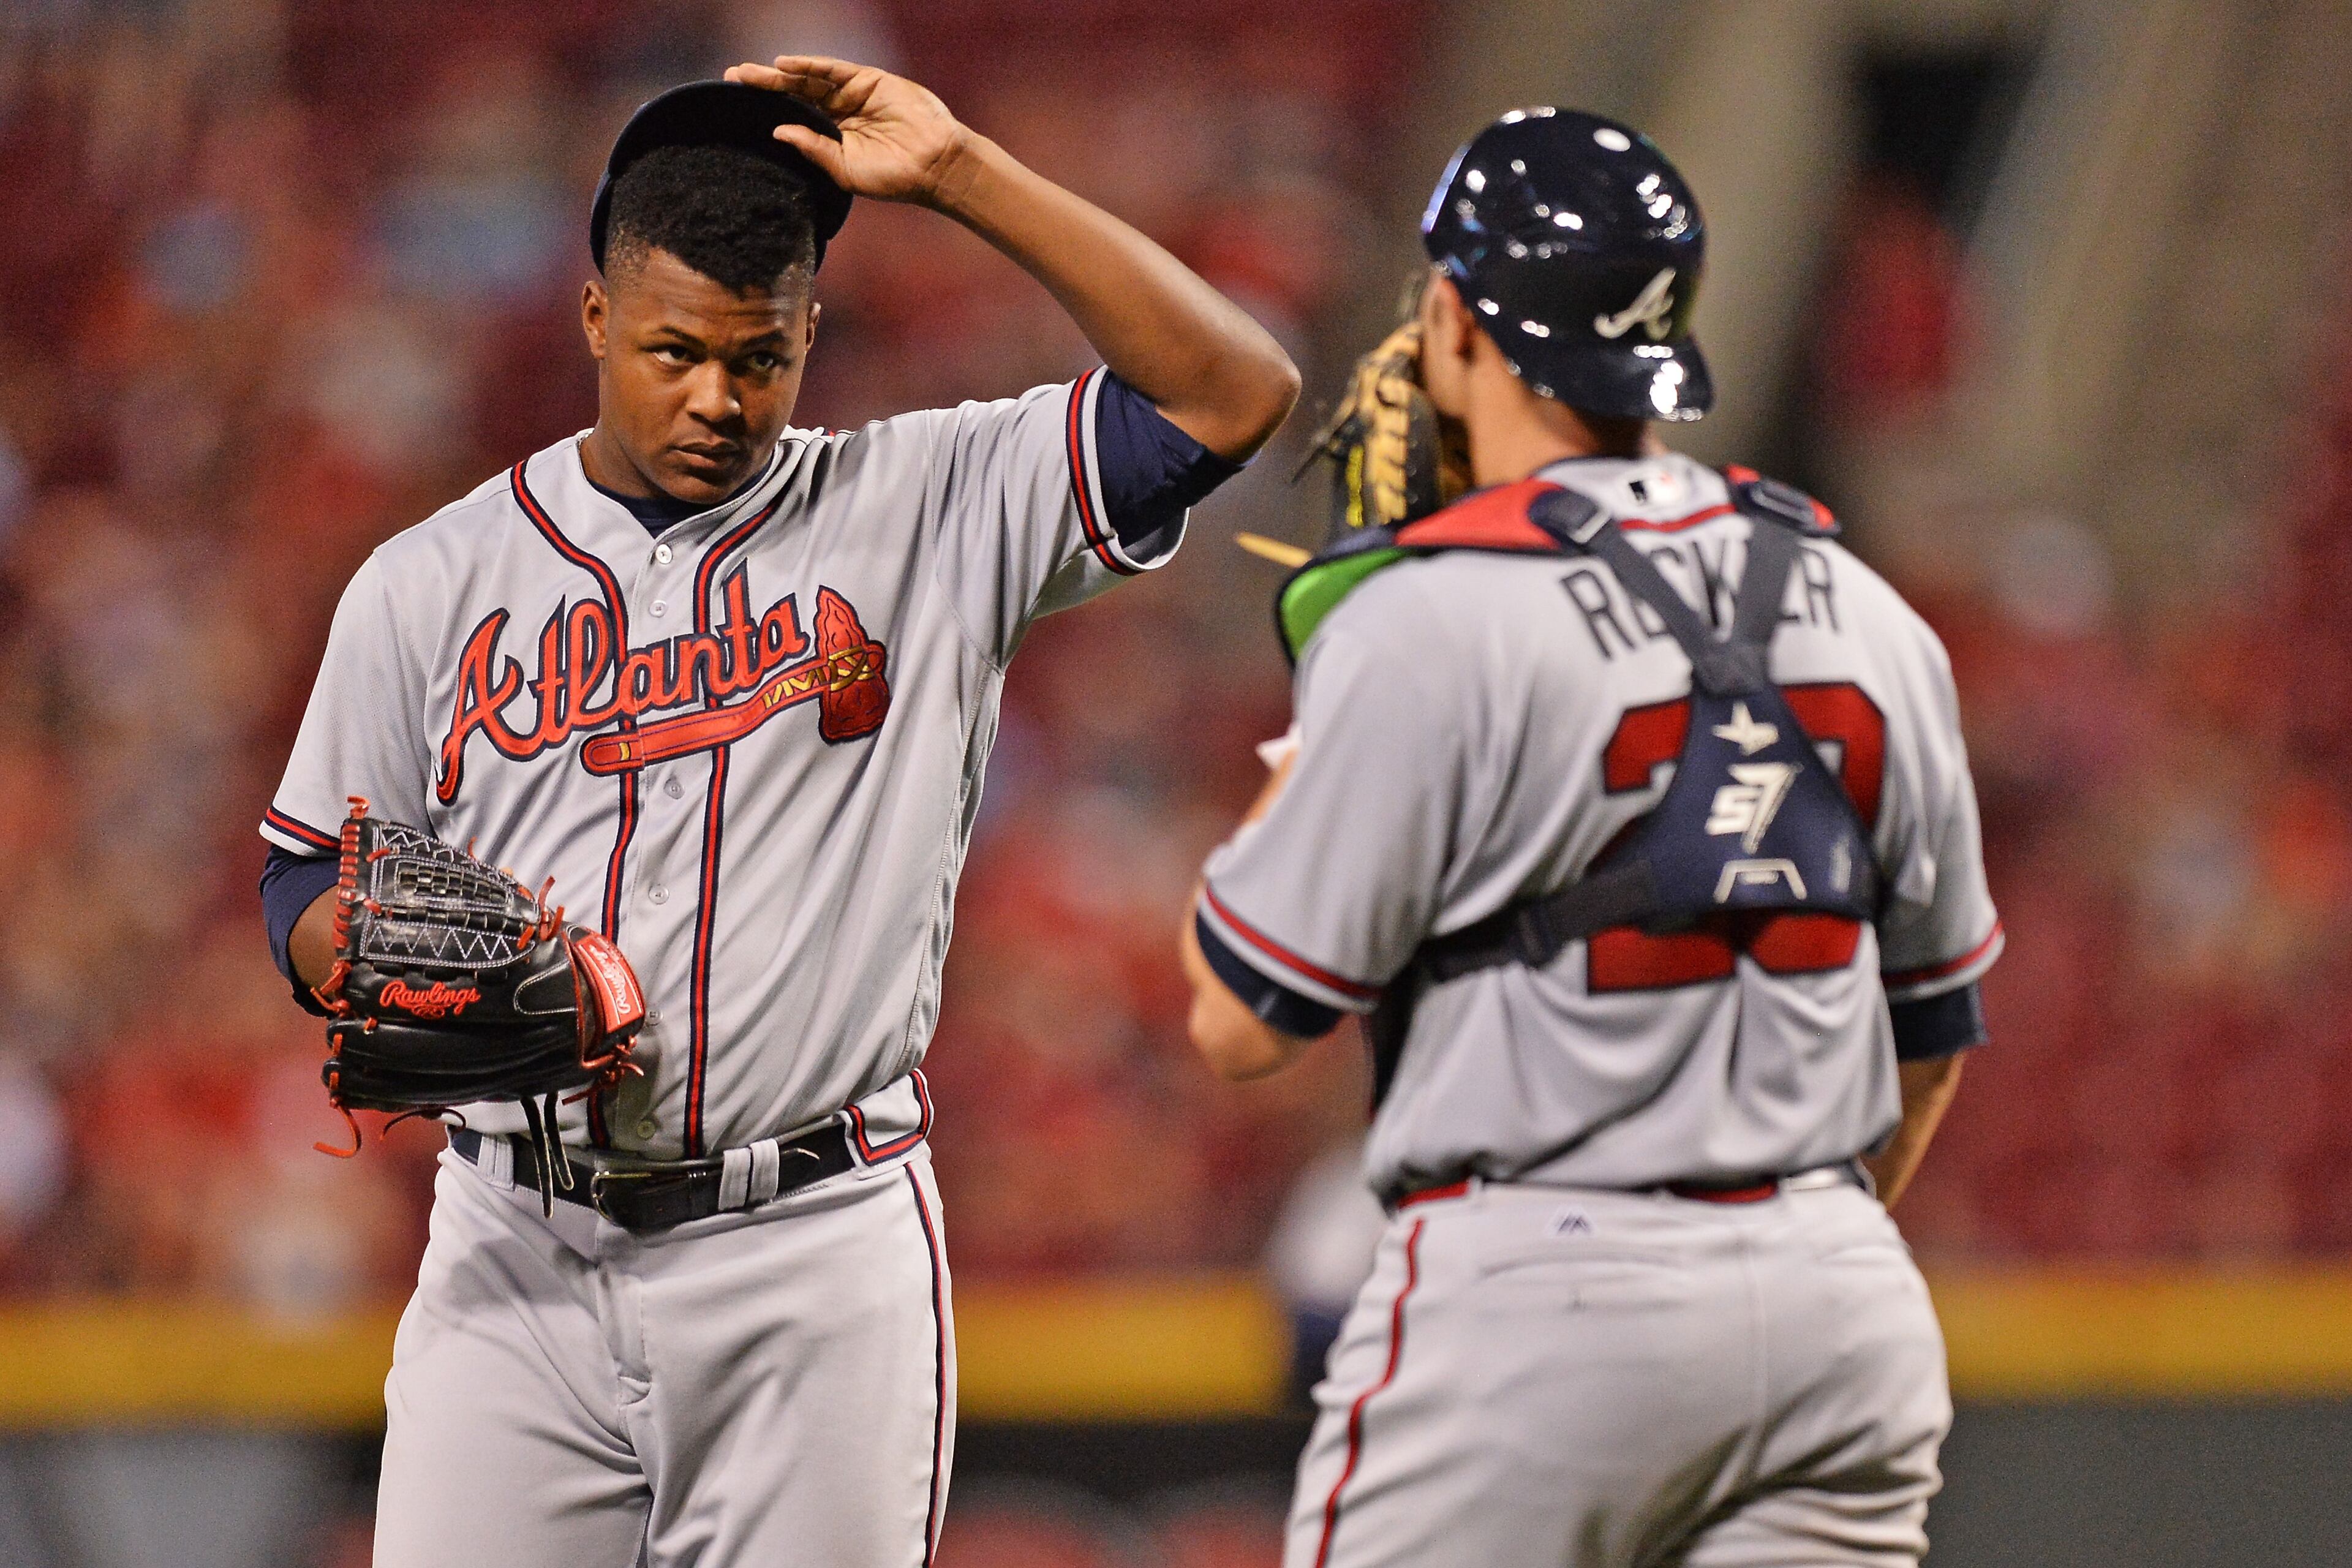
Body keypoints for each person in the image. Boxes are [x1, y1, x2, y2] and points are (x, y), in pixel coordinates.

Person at [258, 56, 1297, 1567]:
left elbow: (1233, 390)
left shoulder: (933, 505)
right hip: (515, 1248)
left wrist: (963, 177)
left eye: (761, 357)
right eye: (676, 350)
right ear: (598, 316)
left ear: (811, 333)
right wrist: (371, 962)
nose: (717, 399)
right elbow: (301, 885)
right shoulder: (429, 579)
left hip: (811, 1249)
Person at [1180, 108, 1999, 1568]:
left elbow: (1241, 1020)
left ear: (1450, 314)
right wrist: (1777, 1240)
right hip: (1841, 1307)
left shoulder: (1425, 612)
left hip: (1539, 1300)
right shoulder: (1873, 610)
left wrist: (1314, 718)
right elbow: (1929, 1029)